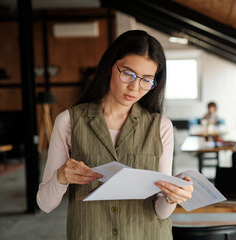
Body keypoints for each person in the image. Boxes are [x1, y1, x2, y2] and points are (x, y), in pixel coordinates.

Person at [36, 30, 193, 240]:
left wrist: (172, 197)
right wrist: (61, 177)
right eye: (128, 73)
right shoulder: (69, 121)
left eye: (147, 80)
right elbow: (45, 205)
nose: (135, 87)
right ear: (110, 66)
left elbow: (160, 212)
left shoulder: (160, 126)